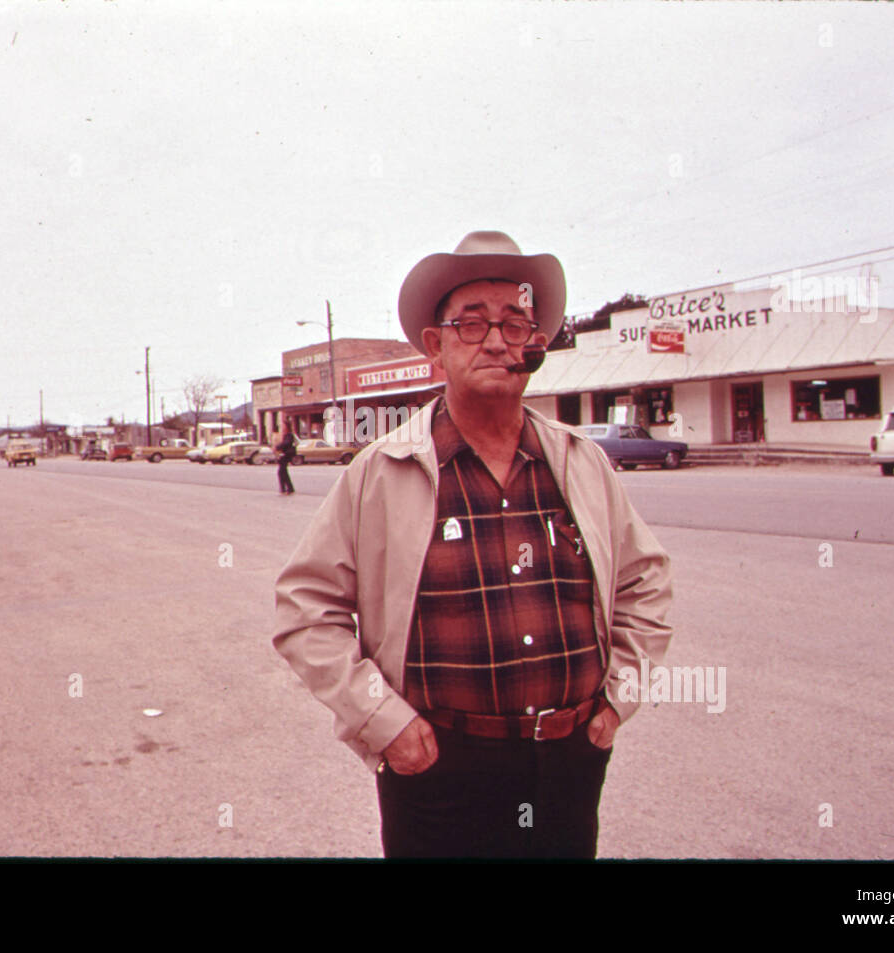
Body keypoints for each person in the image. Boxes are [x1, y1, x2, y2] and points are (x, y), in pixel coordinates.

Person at [273, 230, 674, 858]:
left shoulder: (581, 463)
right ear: (436, 347)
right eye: (471, 324)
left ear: (534, 345)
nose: (495, 340)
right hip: (435, 771)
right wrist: (385, 722)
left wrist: (618, 700)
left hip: (568, 765)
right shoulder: (382, 471)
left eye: (515, 323)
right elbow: (305, 610)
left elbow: (645, 581)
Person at [276, 426, 297, 494]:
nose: (283, 429)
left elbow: (286, 444)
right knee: (282, 472)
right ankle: (285, 488)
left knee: (282, 472)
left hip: (286, 455)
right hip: (284, 455)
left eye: (284, 428)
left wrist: (278, 446)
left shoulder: (289, 436)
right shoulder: (286, 436)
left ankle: (287, 488)